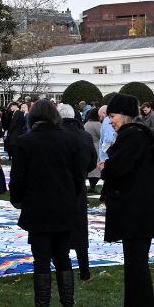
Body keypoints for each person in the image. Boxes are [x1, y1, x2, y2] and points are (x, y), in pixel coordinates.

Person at [9, 100, 86, 307]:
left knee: (41, 259)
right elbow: (78, 176)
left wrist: (17, 199)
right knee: (63, 256)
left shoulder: (26, 142)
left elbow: (18, 178)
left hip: (38, 207)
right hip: (64, 206)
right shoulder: (70, 139)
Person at [100, 92, 154, 307]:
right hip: (141, 209)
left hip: (136, 211)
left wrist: (106, 166)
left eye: (113, 115)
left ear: (125, 115)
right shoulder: (138, 135)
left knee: (137, 261)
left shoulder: (132, 137)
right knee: (134, 259)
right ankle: (132, 305)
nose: (110, 120)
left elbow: (118, 169)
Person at [59, 103, 96, 280]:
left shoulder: (56, 135)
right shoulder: (85, 136)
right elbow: (92, 162)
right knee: (80, 231)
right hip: (79, 187)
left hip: (59, 188)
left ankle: (63, 268)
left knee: (61, 231)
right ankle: (85, 271)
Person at [83, 107, 103, 192]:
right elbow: (101, 136)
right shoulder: (97, 124)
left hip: (86, 146)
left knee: (90, 168)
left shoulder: (86, 124)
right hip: (96, 146)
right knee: (96, 169)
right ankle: (92, 186)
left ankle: (91, 186)